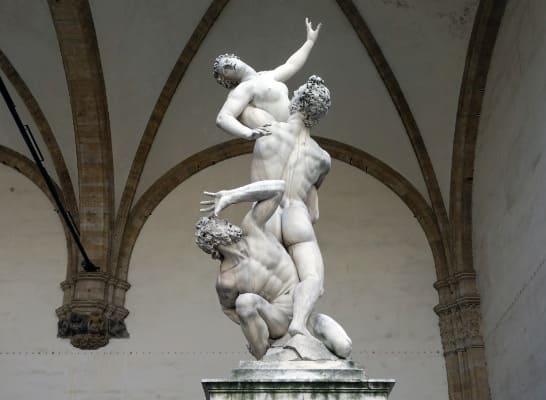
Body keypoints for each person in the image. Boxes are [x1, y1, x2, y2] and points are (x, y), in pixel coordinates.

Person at [195, 180, 351, 360]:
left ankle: (299, 326)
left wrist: (231, 196)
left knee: (343, 347)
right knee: (245, 302)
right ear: (210, 244)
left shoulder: (253, 228)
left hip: (305, 310)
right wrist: (257, 329)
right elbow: (229, 309)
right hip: (277, 319)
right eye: (215, 227)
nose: (224, 224)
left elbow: (278, 188)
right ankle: (264, 356)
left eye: (220, 222)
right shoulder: (227, 278)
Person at [214, 18, 321, 140]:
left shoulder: (267, 75)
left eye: (227, 61)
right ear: (228, 80)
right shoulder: (244, 88)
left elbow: (291, 65)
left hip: (296, 128)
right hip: (280, 135)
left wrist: (310, 41)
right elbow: (223, 117)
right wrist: (247, 133)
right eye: (226, 70)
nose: (229, 65)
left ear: (235, 58)